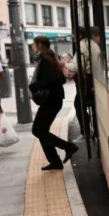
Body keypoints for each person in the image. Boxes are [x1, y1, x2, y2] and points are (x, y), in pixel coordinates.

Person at [29, 35, 77, 171]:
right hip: (54, 99)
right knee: (41, 131)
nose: (32, 47)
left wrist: (33, 88)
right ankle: (55, 161)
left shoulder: (45, 60)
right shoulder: (51, 58)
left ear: (39, 45)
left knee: (37, 130)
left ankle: (69, 147)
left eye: (33, 44)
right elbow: (61, 79)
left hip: (51, 100)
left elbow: (54, 81)